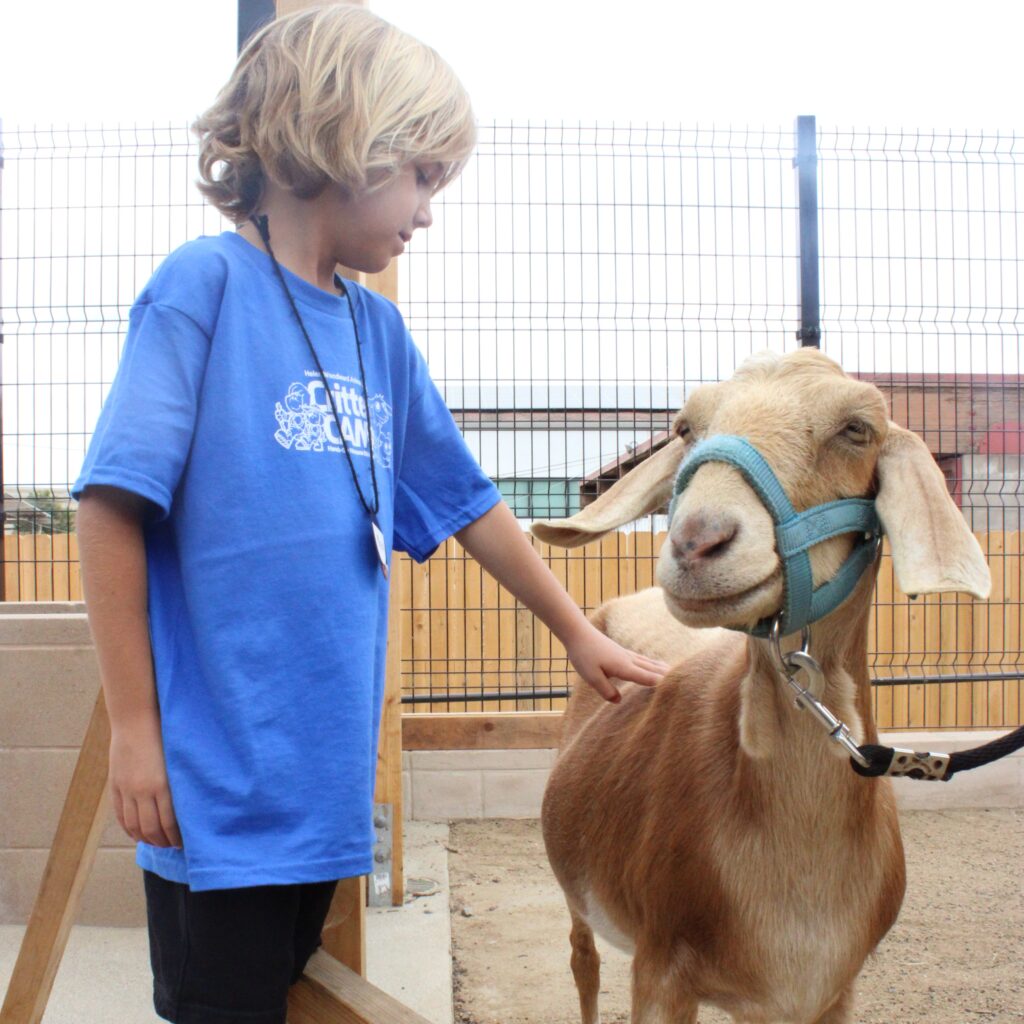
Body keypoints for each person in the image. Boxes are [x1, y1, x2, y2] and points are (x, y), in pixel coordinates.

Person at [73, 6, 666, 1023]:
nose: (429, 211)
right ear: (346, 139)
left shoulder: (375, 332)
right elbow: (108, 507)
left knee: (291, 992)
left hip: (322, 778)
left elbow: (472, 504)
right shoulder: (201, 289)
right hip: (217, 786)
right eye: (423, 177)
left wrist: (574, 630)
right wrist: (135, 727)